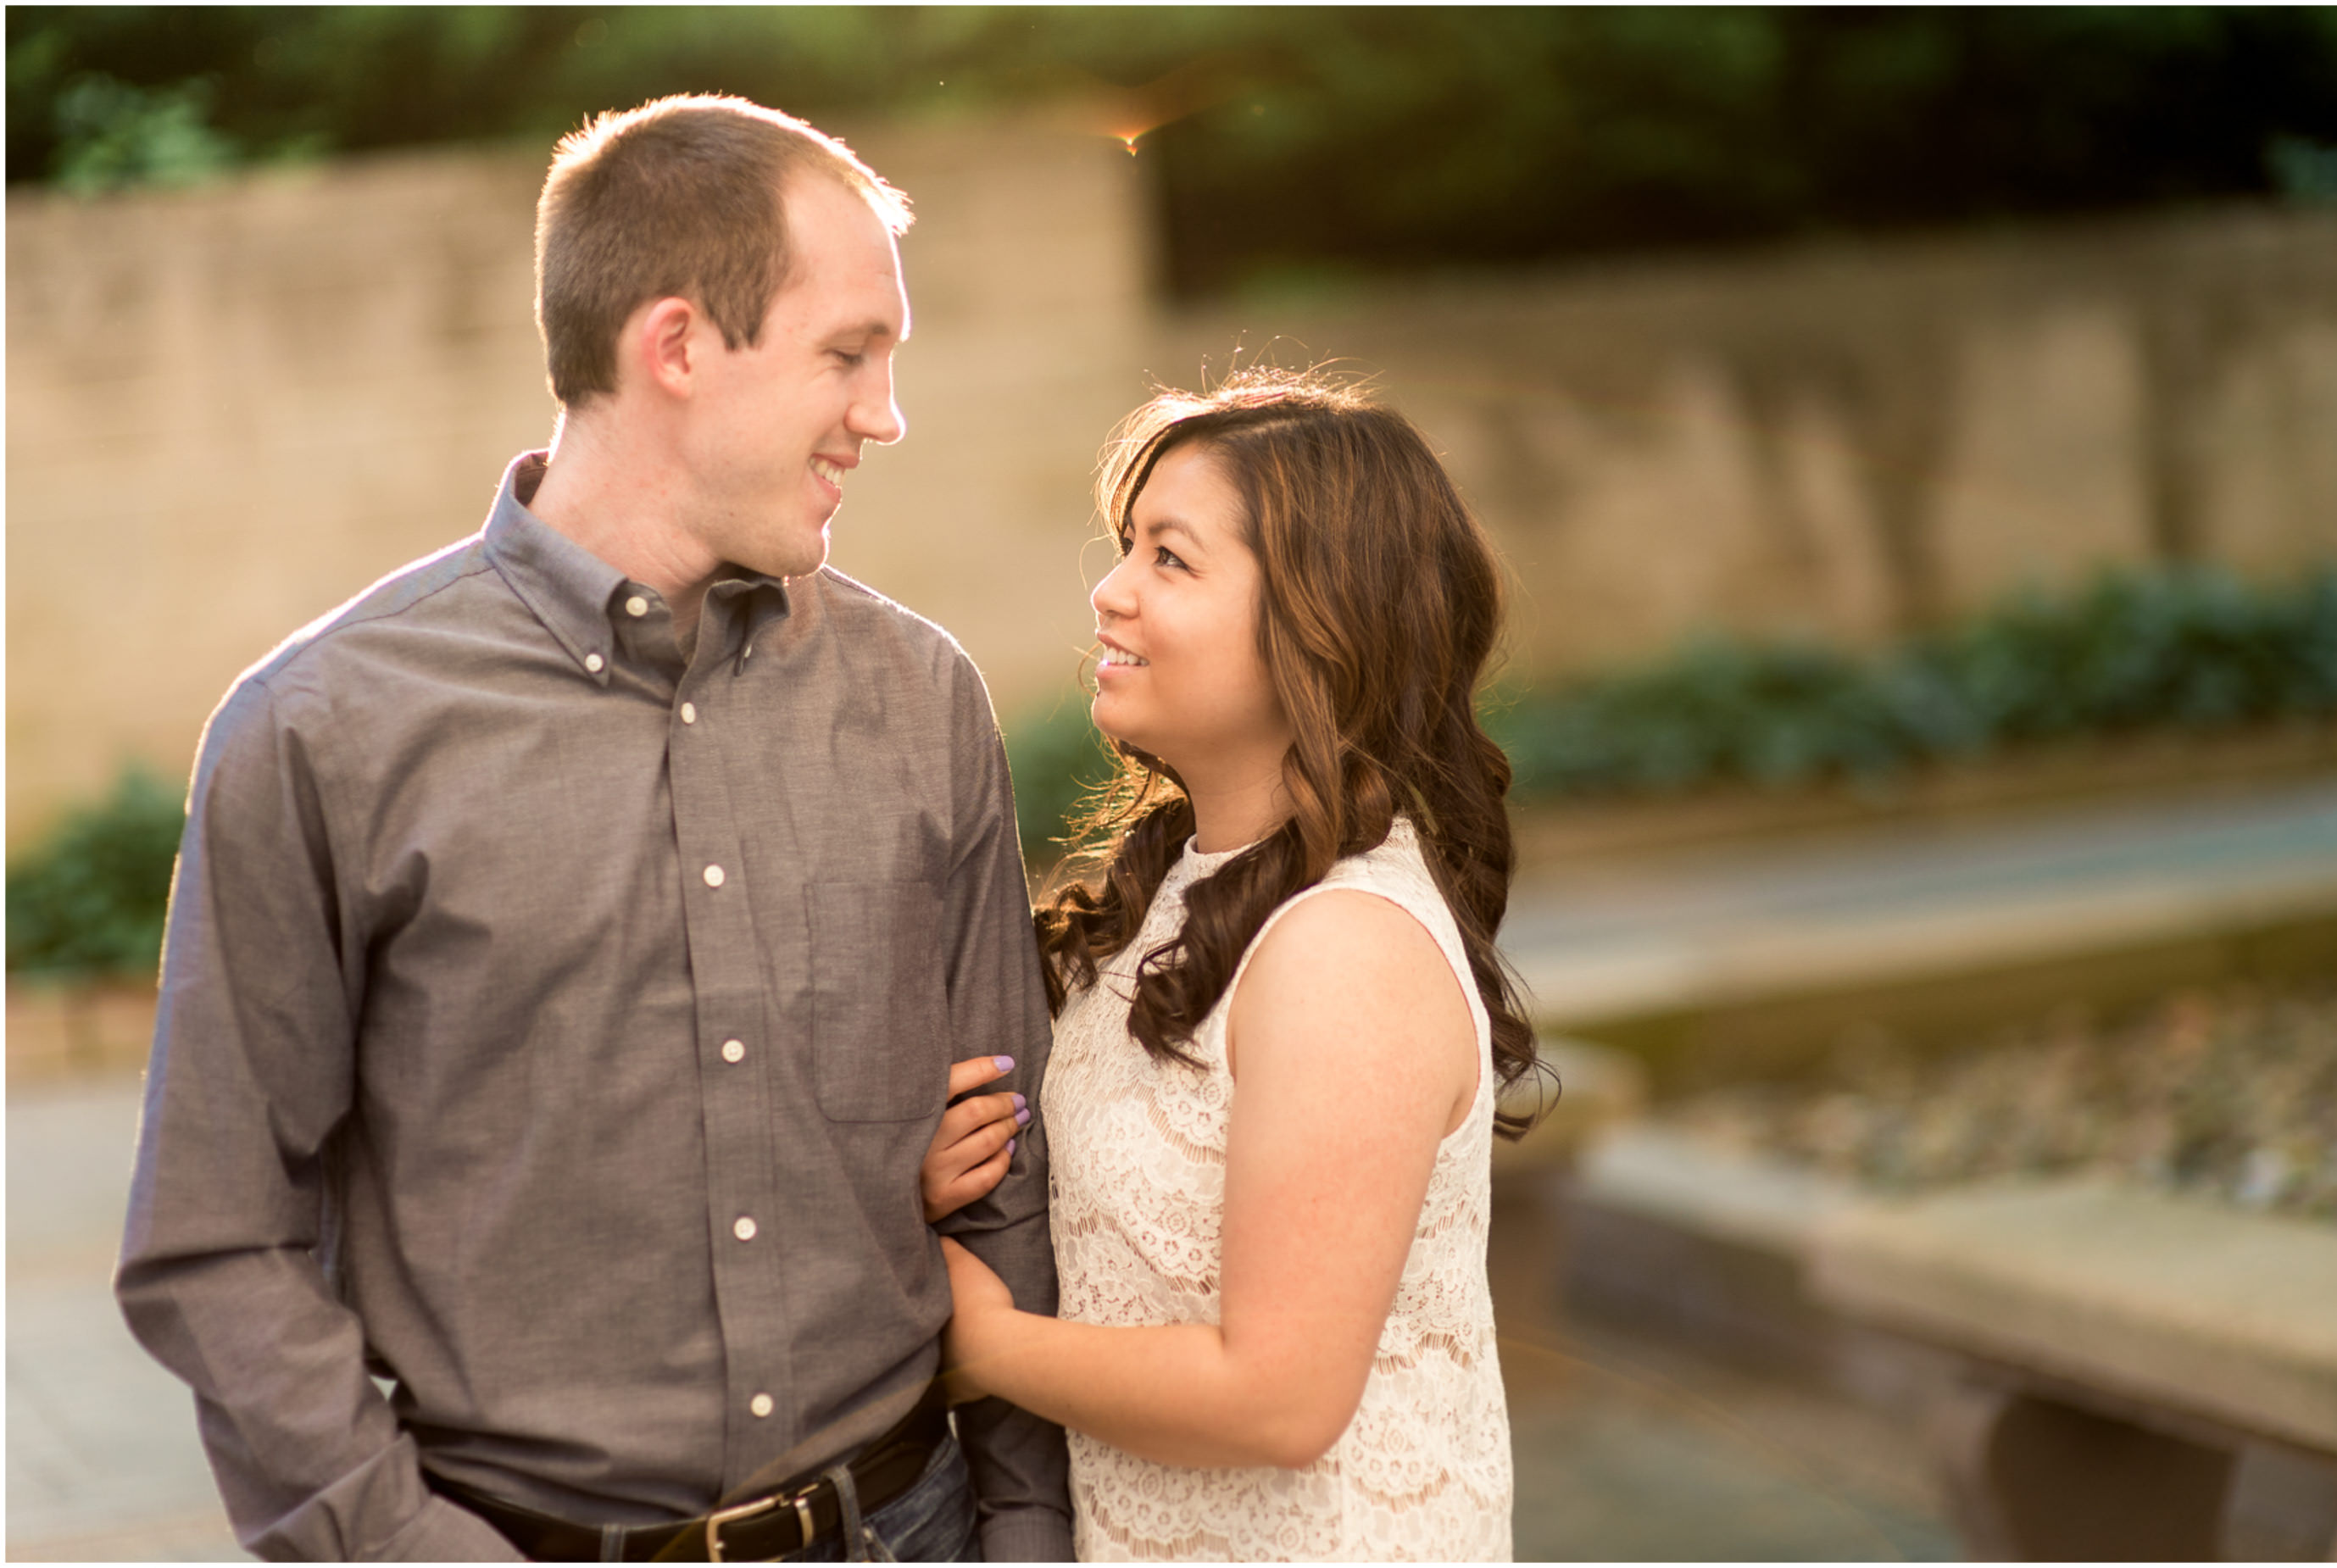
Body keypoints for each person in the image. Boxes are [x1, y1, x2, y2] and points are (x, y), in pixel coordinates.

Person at [117, 95, 1071, 1560]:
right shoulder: (319, 730)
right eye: (848, 354)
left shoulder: (921, 695)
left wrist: (1025, 1532)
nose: (884, 414)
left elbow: (1012, 1167)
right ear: (678, 346)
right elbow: (213, 1240)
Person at [917, 370, 1537, 1560]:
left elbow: (1280, 1396)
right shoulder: (1184, 897)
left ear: (1320, 620)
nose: (1108, 592)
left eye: (1171, 559)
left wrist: (984, 1342)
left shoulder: (1342, 942)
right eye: (1124, 548)